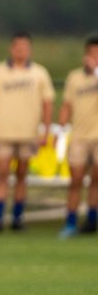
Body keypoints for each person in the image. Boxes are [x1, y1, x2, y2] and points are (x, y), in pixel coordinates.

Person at [0, 32, 55, 232]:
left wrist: (46, 130)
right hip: (4, 132)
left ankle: (18, 217)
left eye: (24, 47)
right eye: (17, 46)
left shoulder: (39, 73)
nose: (20, 50)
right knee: (2, 173)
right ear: (11, 48)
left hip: (28, 133)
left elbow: (47, 103)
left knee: (22, 174)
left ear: (29, 49)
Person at [56, 34, 98, 238]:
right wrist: (59, 130)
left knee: (96, 180)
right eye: (92, 53)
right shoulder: (75, 77)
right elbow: (67, 105)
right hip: (80, 136)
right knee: (76, 179)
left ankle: (92, 220)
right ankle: (71, 222)